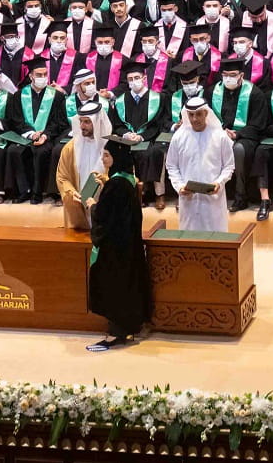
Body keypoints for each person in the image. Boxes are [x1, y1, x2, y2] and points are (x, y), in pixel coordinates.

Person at [84, 137, 152, 351]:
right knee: (128, 286)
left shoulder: (116, 184)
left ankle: (115, 335)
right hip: (128, 244)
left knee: (114, 288)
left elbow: (105, 216)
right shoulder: (128, 180)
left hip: (114, 248)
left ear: (117, 158)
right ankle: (128, 329)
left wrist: (93, 205)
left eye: (107, 155)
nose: (103, 159)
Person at [164, 96, 235, 235]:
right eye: (191, 115)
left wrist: (219, 183)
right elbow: (172, 166)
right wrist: (179, 186)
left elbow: (229, 166)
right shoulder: (179, 137)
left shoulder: (220, 136)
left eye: (198, 114)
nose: (195, 119)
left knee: (215, 239)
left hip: (213, 199)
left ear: (206, 113)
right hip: (188, 199)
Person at [54, 101, 112, 231]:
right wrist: (71, 192)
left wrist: (105, 183)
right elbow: (62, 177)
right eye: (80, 121)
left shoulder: (114, 148)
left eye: (87, 122)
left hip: (106, 208)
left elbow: (125, 179)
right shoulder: (70, 148)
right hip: (79, 209)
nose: (82, 126)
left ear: (97, 123)